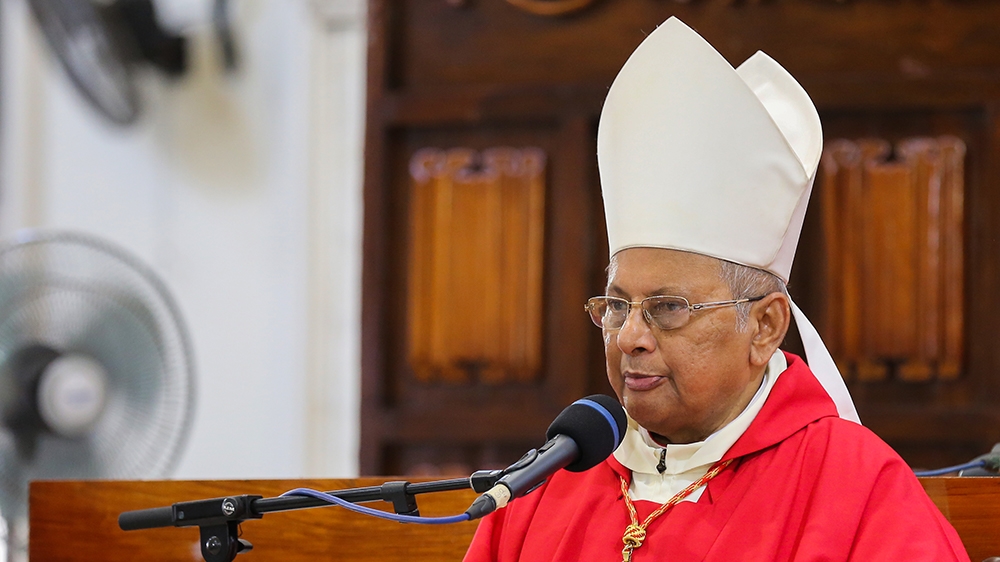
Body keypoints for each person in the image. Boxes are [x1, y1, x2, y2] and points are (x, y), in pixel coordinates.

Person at [462, 16, 969, 562]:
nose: (630, 336)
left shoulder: (853, 485)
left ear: (766, 326)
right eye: (615, 306)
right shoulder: (548, 482)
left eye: (668, 308)